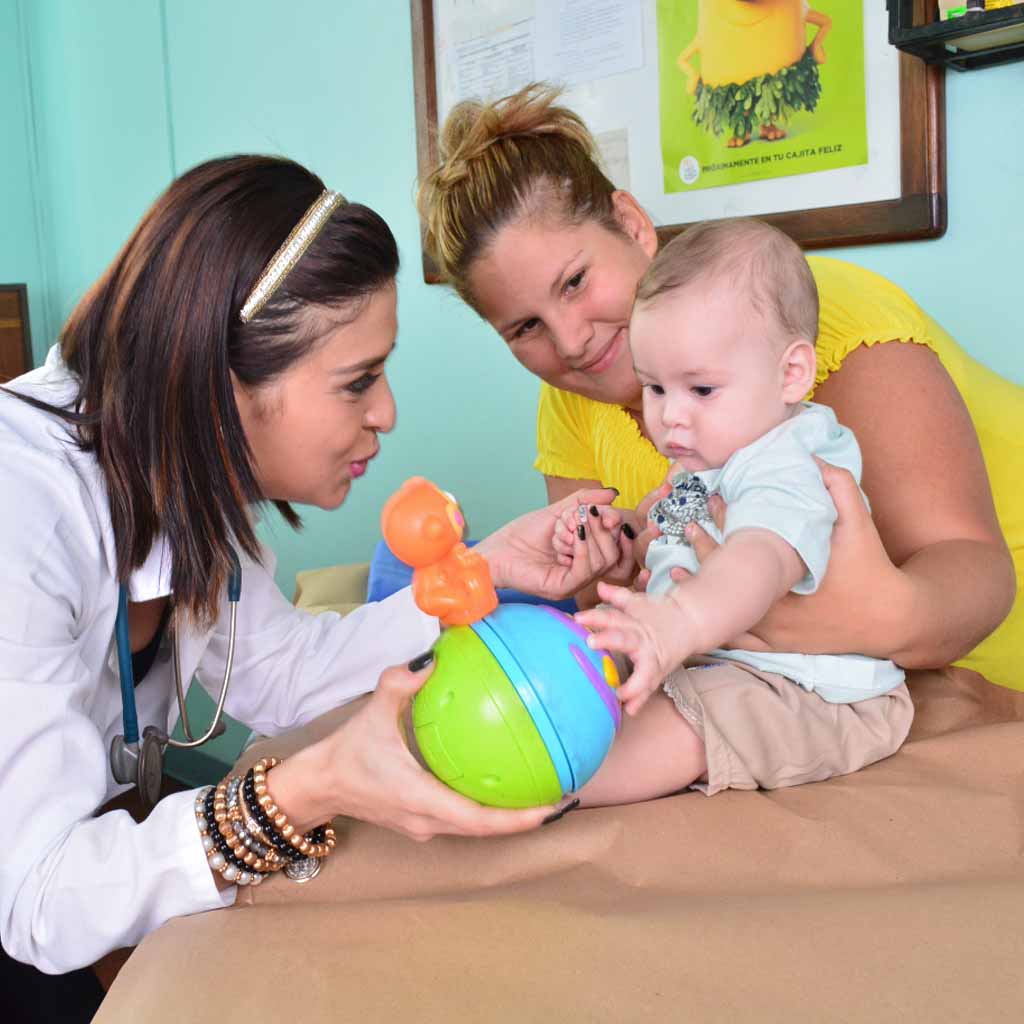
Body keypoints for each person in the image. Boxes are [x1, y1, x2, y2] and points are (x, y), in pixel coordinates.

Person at [0, 155, 623, 994]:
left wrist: (476, 571)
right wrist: (303, 792)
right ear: (217, 386)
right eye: (357, 381)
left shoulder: (192, 479)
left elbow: (276, 674)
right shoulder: (23, 514)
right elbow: (36, 898)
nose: (388, 413)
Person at [416, 83, 1021, 693]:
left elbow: (979, 572)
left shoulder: (817, 325)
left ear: (631, 225)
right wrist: (626, 566)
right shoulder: (568, 400)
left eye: (574, 281)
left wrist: (877, 617)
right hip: (792, 691)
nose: (570, 341)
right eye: (525, 327)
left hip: (981, 673)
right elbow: (631, 606)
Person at [552, 218, 913, 805]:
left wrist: (681, 624)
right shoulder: (706, 458)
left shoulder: (792, 462)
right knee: (604, 663)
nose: (670, 416)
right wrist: (628, 548)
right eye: (655, 388)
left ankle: (557, 786)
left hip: (818, 691)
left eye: (700, 390)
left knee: (690, 719)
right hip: (719, 659)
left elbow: (758, 559)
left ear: (790, 373)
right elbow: (669, 537)